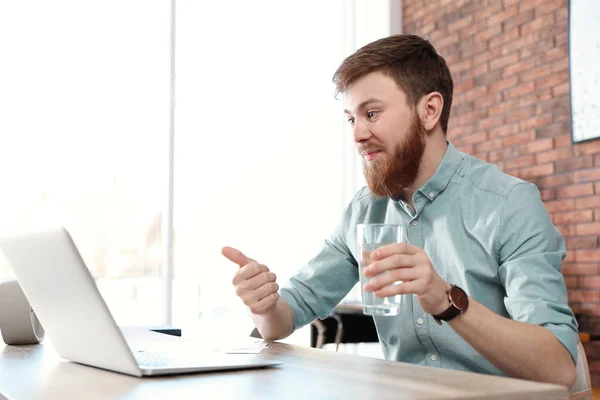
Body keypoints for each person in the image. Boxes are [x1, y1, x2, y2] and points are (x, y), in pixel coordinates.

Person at [221, 34, 578, 387]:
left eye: (372, 113)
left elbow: (559, 368)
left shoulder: (509, 204)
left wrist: (446, 301)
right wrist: (265, 306)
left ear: (429, 110)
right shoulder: (363, 211)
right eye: (351, 119)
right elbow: (287, 315)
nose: (358, 134)